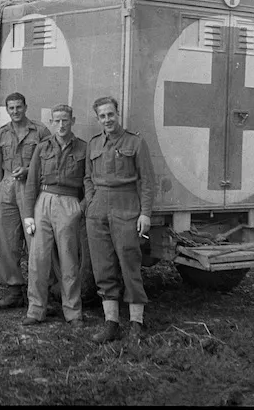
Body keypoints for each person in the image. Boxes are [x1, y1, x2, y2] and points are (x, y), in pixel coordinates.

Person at [84, 96, 155, 342]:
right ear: (98, 119)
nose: (107, 119)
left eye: (110, 114)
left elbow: (147, 180)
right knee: (103, 267)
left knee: (129, 264)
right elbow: (88, 177)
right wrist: (91, 201)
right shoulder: (93, 145)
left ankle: (137, 323)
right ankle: (111, 323)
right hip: (98, 210)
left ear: (118, 114)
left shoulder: (135, 142)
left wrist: (145, 213)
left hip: (126, 207)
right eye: (102, 116)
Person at [21, 104, 87, 328]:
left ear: (72, 121)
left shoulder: (83, 148)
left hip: (69, 202)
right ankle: (36, 309)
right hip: (44, 201)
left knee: (69, 260)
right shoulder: (42, 148)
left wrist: (81, 207)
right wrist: (29, 215)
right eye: (56, 121)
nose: (61, 125)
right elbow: (31, 182)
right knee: (38, 259)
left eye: (65, 121)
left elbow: (90, 183)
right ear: (51, 122)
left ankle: (73, 312)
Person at [0, 92, 51, 309]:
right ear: (7, 110)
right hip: (7, 188)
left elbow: (49, 160)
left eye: (19, 107)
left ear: (26, 107)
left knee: (36, 240)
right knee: (6, 241)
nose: (15, 111)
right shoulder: (1, 133)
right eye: (11, 108)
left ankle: (42, 292)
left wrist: (29, 170)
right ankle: (13, 290)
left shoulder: (40, 131)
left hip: (31, 188)